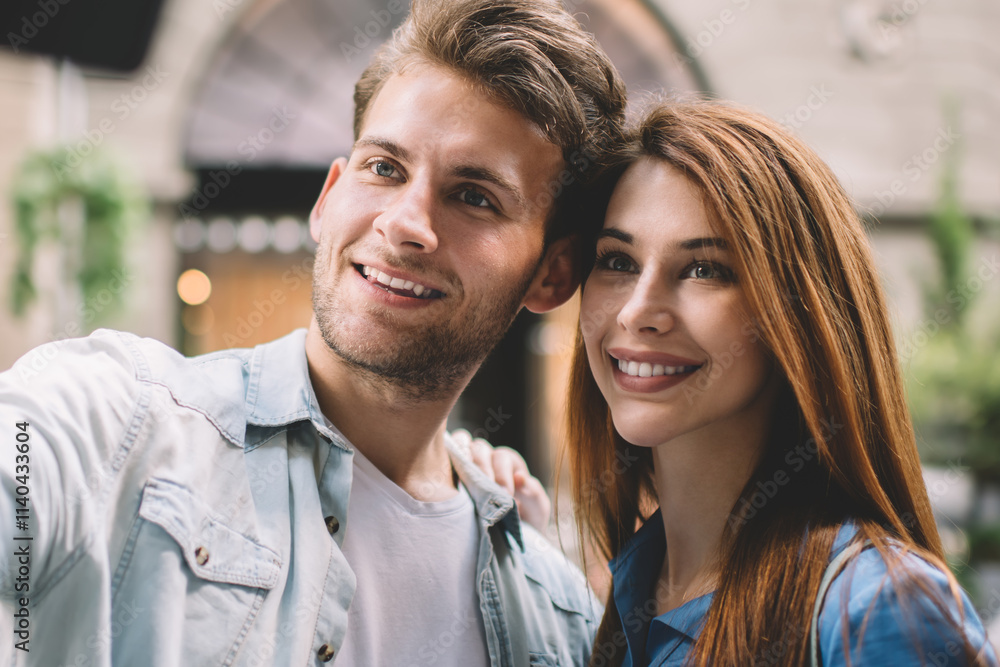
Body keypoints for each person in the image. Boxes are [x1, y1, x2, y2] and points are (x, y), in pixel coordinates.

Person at [0, 1, 627, 665]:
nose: (405, 223)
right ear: (328, 198)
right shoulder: (117, 423)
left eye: (474, 196)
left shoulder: (562, 621)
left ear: (552, 275)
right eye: (385, 167)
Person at [565, 101, 998, 666]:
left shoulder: (878, 607)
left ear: (796, 316)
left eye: (704, 269)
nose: (638, 311)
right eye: (618, 261)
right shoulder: (631, 593)